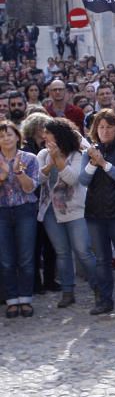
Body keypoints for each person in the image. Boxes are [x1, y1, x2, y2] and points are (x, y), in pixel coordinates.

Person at [79, 110, 115, 316]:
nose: (105, 130)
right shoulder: (89, 153)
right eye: (101, 127)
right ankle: (105, 300)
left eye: (109, 127)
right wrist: (93, 164)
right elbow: (83, 181)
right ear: (96, 130)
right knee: (102, 260)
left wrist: (103, 163)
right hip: (95, 214)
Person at [38, 118, 98, 310]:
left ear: (58, 135)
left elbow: (73, 179)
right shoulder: (42, 154)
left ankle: (99, 287)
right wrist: (49, 164)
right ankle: (67, 291)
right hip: (50, 210)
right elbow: (38, 179)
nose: (43, 136)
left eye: (47, 133)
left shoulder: (78, 154)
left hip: (75, 209)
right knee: (62, 253)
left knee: (83, 251)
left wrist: (59, 161)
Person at [0, 120, 40, 318]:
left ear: (17, 136)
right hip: (2, 212)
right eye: (1, 135)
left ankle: (25, 298)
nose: (6, 138)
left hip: (25, 209)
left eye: (9, 134)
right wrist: (2, 176)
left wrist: (17, 173)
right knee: (6, 259)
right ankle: (11, 300)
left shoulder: (29, 158)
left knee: (25, 257)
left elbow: (30, 187)